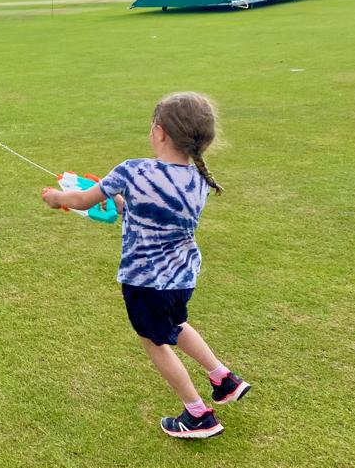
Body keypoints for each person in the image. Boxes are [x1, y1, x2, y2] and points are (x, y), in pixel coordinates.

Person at [41, 92, 249, 439]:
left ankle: (198, 415)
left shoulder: (133, 170)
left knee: (154, 341)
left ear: (161, 132)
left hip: (146, 280)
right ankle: (223, 378)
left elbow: (81, 200)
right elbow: (154, 210)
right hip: (181, 276)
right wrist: (122, 202)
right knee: (176, 323)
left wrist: (56, 198)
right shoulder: (198, 178)